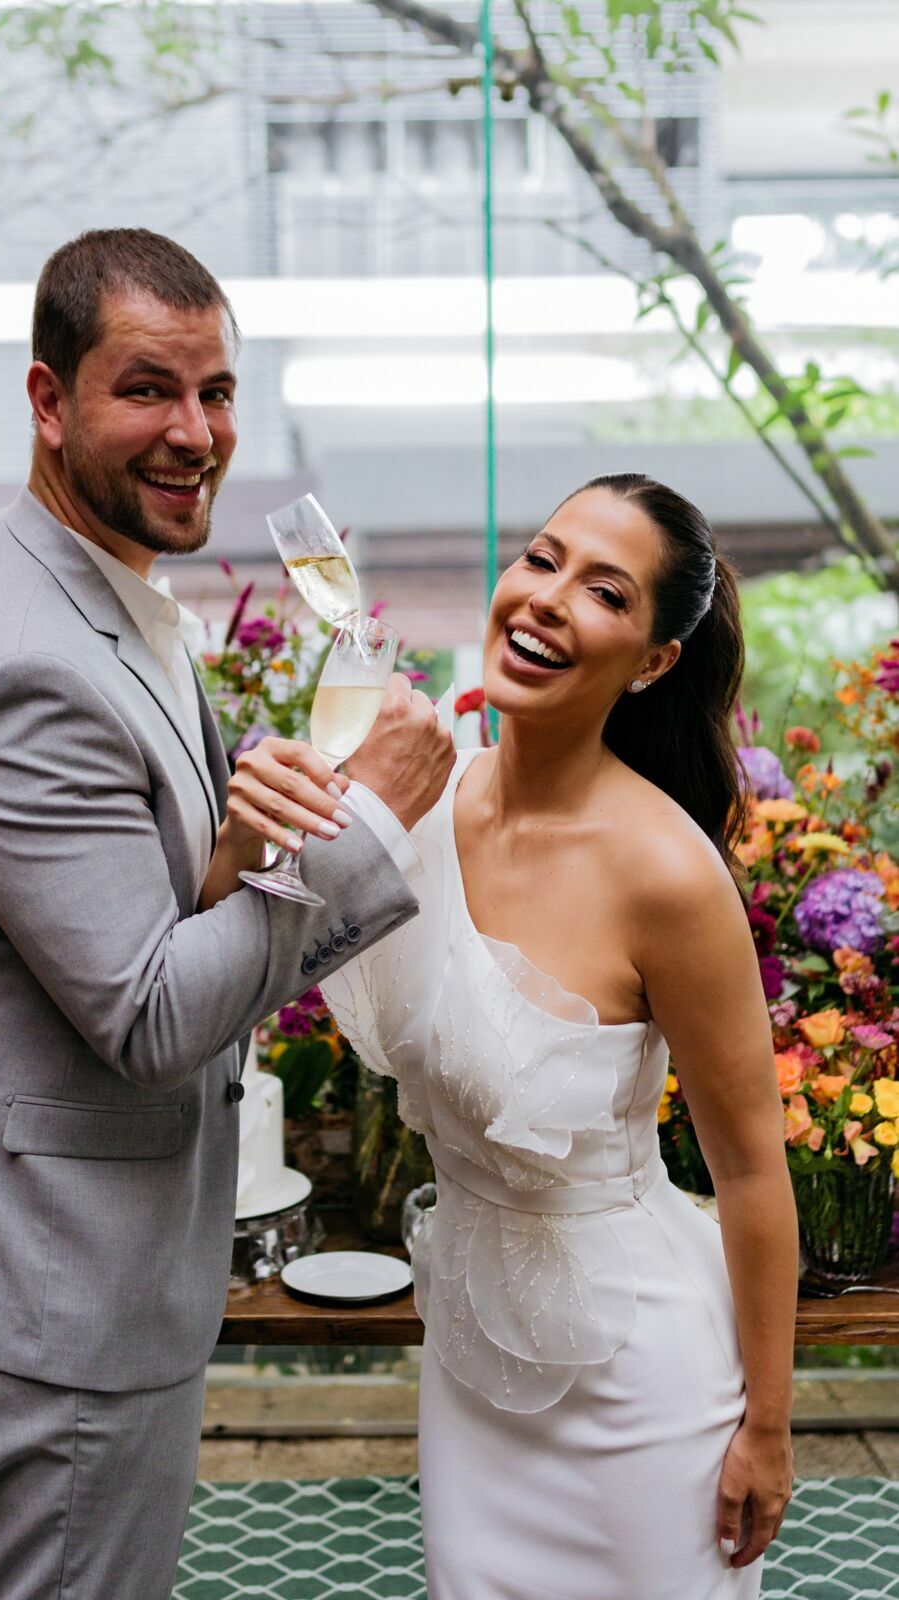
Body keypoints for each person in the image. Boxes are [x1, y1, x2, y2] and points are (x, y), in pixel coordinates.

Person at [0, 227, 453, 1600]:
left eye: (218, 392)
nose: (195, 432)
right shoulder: (18, 659)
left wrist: (236, 845)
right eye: (147, 389)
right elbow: (147, 1012)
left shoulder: (89, 579)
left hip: (53, 1229)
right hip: (52, 1275)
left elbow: (137, 903)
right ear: (48, 403)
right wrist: (366, 823)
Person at [320, 474, 799, 1599]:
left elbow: (747, 1168)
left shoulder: (665, 871)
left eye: (603, 591)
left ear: (650, 660)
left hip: (641, 1378)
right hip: (472, 1363)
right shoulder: (427, 796)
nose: (544, 600)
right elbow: (251, 930)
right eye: (539, 560)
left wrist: (769, 1426)